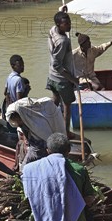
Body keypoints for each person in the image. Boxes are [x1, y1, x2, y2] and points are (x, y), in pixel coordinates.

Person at [22, 133, 96, 221]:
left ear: (47, 151)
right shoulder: (80, 169)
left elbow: (30, 197)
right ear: (68, 151)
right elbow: (90, 198)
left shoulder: (33, 169)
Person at [5, 97, 66, 169]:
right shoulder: (25, 122)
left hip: (40, 148)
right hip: (34, 147)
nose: (17, 123)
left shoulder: (38, 123)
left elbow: (45, 138)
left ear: (20, 117)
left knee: (25, 167)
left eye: (17, 120)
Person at [47, 11, 79, 139]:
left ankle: (49, 124)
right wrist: (73, 80)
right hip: (61, 79)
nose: (69, 26)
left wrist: (63, 11)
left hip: (51, 76)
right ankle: (66, 132)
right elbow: (57, 64)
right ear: (59, 25)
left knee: (55, 101)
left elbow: (53, 65)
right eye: (66, 24)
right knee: (67, 106)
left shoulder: (53, 30)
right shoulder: (63, 41)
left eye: (69, 22)